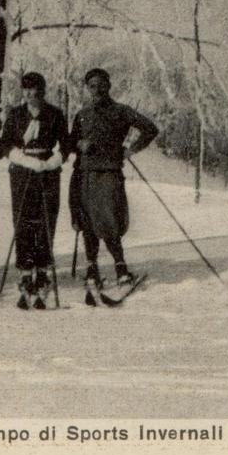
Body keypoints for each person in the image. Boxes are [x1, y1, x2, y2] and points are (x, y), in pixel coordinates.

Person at [69, 67, 159, 290]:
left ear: (109, 86)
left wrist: (131, 149)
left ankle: (121, 269)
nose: (97, 89)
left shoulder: (121, 111)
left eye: (101, 85)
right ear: (87, 89)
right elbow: (71, 141)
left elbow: (150, 128)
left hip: (109, 172)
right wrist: (79, 144)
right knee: (87, 221)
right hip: (84, 172)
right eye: (92, 86)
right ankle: (92, 270)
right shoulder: (82, 114)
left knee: (109, 220)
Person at [1, 71, 70, 309]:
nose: (31, 94)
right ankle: (24, 273)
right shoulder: (15, 114)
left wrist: (52, 162)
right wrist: (23, 159)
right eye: (27, 89)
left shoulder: (55, 114)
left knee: (46, 220)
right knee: (22, 221)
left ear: (43, 90)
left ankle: (42, 272)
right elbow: (6, 143)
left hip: (48, 173)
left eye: (36, 89)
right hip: (22, 172)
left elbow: (66, 144)